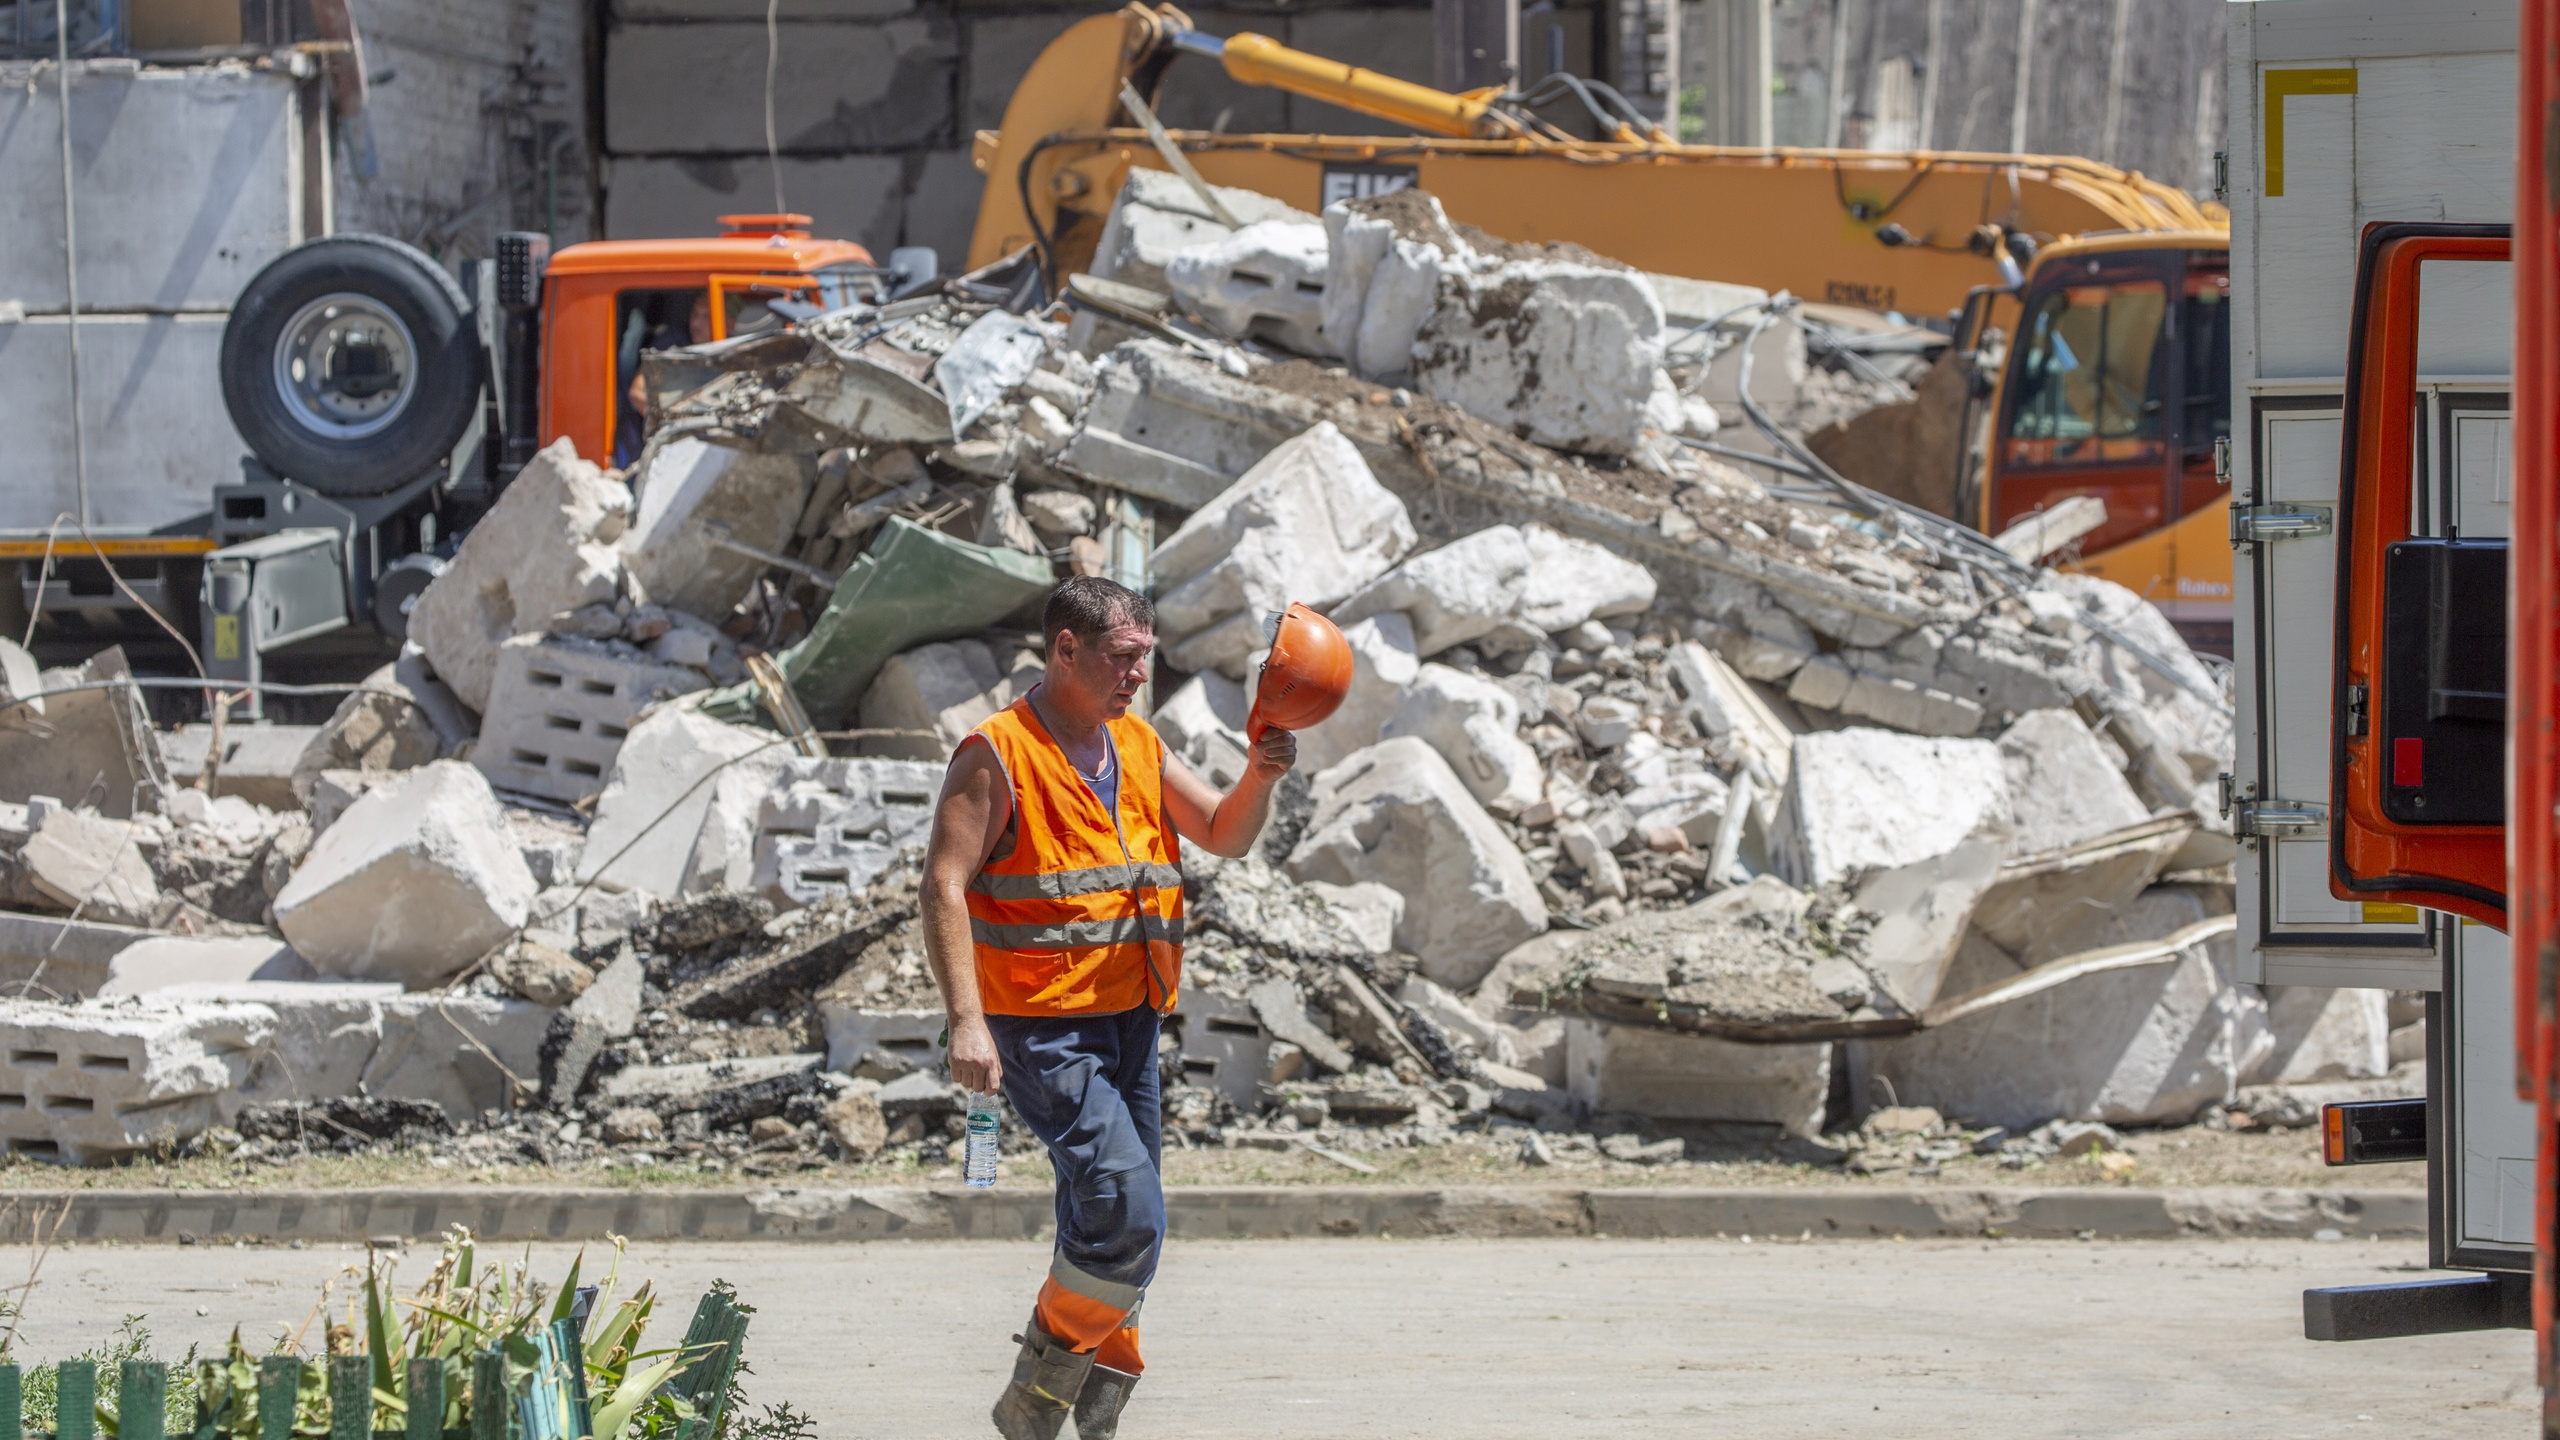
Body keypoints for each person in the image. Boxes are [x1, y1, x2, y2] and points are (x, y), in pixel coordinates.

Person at [921, 576, 1296, 1440]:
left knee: (1109, 1217)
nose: (1136, 676)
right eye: (1122, 659)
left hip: (1132, 1020)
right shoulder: (997, 754)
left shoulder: (1135, 742)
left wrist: (1260, 777)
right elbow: (943, 885)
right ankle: (1041, 1383)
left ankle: (1081, 1410)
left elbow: (1225, 833)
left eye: (1144, 660)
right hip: (1041, 1030)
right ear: (1066, 650)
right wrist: (968, 1021)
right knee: (1130, 1213)